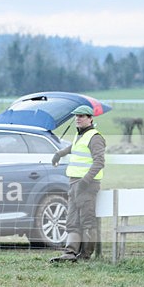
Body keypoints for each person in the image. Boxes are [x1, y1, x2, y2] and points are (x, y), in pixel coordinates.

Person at [49, 105, 106, 262]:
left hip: (87, 185)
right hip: (74, 183)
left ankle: (85, 255)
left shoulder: (95, 137)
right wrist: (60, 154)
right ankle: (70, 253)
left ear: (90, 118)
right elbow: (74, 148)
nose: (78, 118)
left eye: (82, 116)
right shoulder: (80, 135)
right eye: (76, 116)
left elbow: (99, 162)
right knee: (72, 220)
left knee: (87, 221)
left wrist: (85, 181)